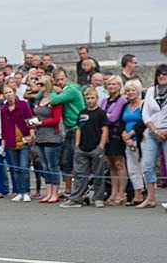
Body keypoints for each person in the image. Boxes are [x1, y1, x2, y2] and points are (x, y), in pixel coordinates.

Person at [60, 88, 109, 208]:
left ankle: (98, 197)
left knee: (98, 174)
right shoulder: (82, 113)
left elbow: (105, 130)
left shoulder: (101, 113)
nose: (90, 101)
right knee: (79, 174)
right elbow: (79, 129)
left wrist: (101, 146)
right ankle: (76, 198)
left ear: (96, 98)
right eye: (88, 98)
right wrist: (77, 145)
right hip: (82, 148)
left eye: (92, 98)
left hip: (96, 147)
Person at [50, 67, 86, 198]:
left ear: (67, 78)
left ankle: (78, 191)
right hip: (69, 129)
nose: (60, 82)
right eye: (57, 80)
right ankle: (68, 190)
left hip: (78, 129)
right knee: (66, 163)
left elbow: (53, 100)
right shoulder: (62, 90)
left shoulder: (71, 89)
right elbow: (38, 95)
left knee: (76, 162)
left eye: (62, 79)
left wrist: (51, 90)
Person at [0, 84, 35, 202]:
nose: (8, 95)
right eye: (6, 93)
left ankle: (26, 191)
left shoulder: (23, 105)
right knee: (15, 168)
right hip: (11, 141)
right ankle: (19, 191)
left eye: (10, 92)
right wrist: (3, 144)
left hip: (23, 140)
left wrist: (32, 134)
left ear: (14, 92)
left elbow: (30, 119)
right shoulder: (3, 110)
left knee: (24, 167)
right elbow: (3, 127)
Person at [137, 65, 167, 209]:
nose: (162, 76)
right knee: (147, 165)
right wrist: (154, 130)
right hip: (152, 132)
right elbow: (145, 113)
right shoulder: (150, 91)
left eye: (165, 74)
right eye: (159, 74)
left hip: (166, 132)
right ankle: (150, 197)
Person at [31, 75, 63, 203]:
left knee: (52, 165)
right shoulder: (40, 100)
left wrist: (41, 123)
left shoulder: (54, 100)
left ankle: (55, 192)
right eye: (38, 84)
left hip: (52, 136)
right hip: (40, 136)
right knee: (44, 166)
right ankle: (48, 192)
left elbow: (56, 119)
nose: (39, 86)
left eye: (42, 84)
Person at [99, 76, 128, 205]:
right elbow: (100, 116)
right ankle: (113, 192)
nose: (111, 87)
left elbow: (113, 118)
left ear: (119, 86)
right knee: (111, 165)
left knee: (119, 163)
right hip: (106, 135)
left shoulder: (121, 100)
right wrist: (106, 116)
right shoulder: (105, 101)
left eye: (114, 84)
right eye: (109, 84)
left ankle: (121, 193)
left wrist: (106, 117)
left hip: (116, 134)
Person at [121, 79, 145, 205]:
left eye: (132, 90)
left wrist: (131, 134)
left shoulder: (143, 105)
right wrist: (124, 135)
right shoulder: (125, 106)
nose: (130, 93)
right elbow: (122, 122)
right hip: (128, 142)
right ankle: (137, 193)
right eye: (128, 91)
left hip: (141, 139)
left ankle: (145, 192)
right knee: (132, 168)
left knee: (143, 166)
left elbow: (144, 121)